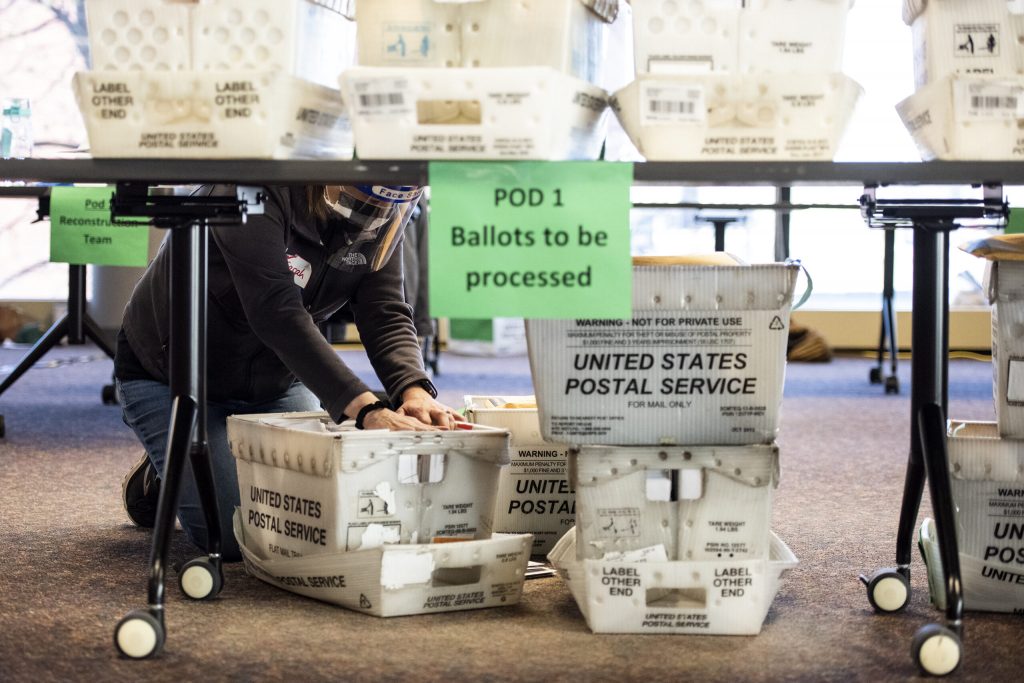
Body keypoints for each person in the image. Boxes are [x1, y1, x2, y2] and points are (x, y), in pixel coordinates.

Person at [115, 184, 463, 561]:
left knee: (307, 520)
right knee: (237, 536)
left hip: (276, 378)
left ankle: (193, 454)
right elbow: (276, 312)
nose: (374, 213)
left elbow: (385, 311)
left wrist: (414, 390)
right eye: (366, 203)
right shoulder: (253, 190)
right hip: (172, 376)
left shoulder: (383, 211)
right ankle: (166, 461)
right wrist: (366, 410)